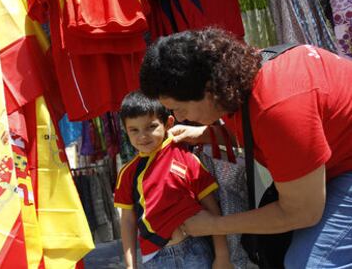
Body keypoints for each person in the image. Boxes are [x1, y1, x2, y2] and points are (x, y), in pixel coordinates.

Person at [139, 27, 352, 268]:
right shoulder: (236, 80)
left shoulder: (278, 108)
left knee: (310, 264)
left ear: (208, 91)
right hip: (336, 157)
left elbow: (302, 212)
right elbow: (259, 132)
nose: (178, 118)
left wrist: (214, 225)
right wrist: (206, 135)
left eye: (179, 108)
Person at [114, 91, 232, 269]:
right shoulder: (127, 174)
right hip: (156, 258)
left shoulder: (186, 157)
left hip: (196, 249)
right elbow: (128, 221)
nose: (143, 136)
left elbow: (212, 208)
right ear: (126, 131)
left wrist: (222, 255)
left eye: (151, 127)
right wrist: (131, 265)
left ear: (168, 123)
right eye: (134, 130)